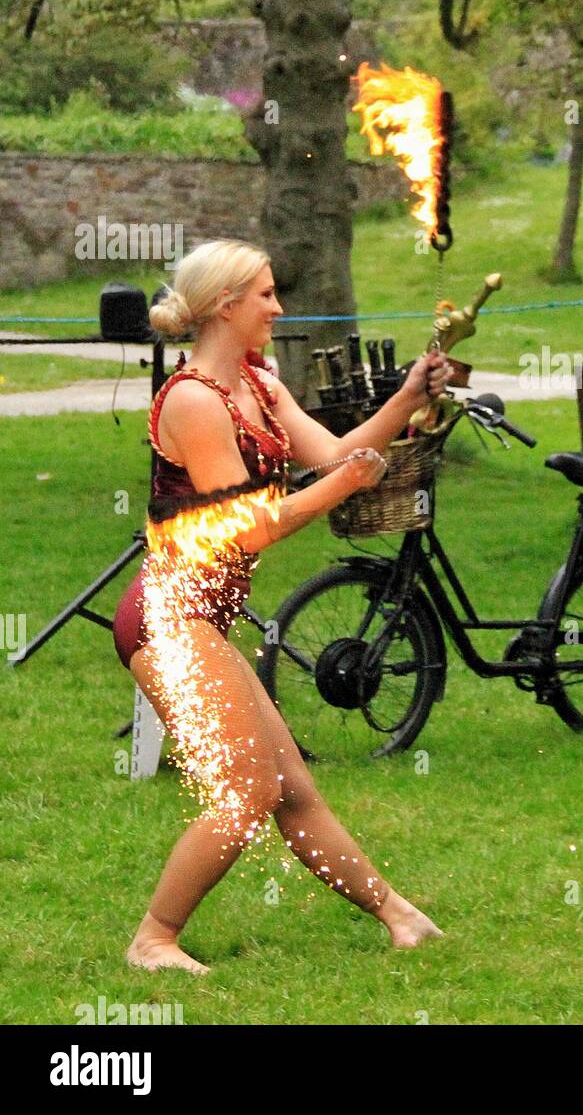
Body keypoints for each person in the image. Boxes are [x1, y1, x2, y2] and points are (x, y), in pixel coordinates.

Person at [111, 239, 450, 973]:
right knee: (244, 793)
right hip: (169, 617)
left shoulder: (258, 384)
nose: (278, 307)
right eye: (265, 294)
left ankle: (400, 917)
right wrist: (345, 485)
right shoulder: (196, 399)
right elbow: (251, 523)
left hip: (203, 618)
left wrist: (407, 398)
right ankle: (153, 940)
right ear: (227, 305)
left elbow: (333, 452)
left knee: (291, 789)